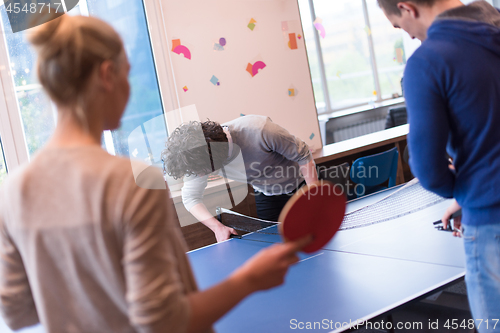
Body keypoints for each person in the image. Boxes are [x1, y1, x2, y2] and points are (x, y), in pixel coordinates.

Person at [0, 15, 311, 333]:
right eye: (128, 75)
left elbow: (16, 312)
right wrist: (250, 279)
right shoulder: (134, 182)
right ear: (108, 75)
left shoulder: (13, 191)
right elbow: (165, 322)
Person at [377, 0, 500, 331]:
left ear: (407, 7)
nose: (411, 37)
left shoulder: (428, 62)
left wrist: (469, 191)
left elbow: (428, 167)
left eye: (399, 26)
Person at [162, 117, 318, 242]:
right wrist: (217, 227)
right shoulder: (198, 158)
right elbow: (190, 198)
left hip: (303, 186)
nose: (200, 176)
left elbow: (303, 155)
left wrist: (315, 197)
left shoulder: (260, 130)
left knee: (315, 236)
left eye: (202, 171)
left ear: (215, 157)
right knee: (278, 247)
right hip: (266, 194)